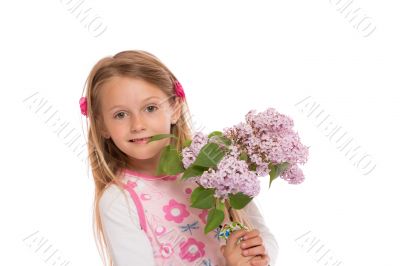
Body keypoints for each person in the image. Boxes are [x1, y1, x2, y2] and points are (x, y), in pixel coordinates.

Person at [80, 50, 279, 266]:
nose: (138, 125)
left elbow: (265, 237)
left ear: (174, 108)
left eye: (150, 108)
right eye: (120, 114)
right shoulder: (119, 200)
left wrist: (256, 253)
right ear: (101, 125)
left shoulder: (211, 168)